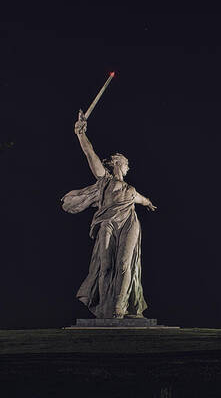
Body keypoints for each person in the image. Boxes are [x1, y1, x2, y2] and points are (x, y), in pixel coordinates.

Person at [61, 110, 157, 319]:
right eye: (126, 163)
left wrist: (148, 203)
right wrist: (80, 134)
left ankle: (119, 308)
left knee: (124, 263)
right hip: (108, 223)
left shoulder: (130, 189)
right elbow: (90, 153)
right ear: (118, 163)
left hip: (129, 223)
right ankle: (105, 306)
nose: (128, 166)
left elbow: (142, 198)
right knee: (105, 265)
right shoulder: (105, 180)